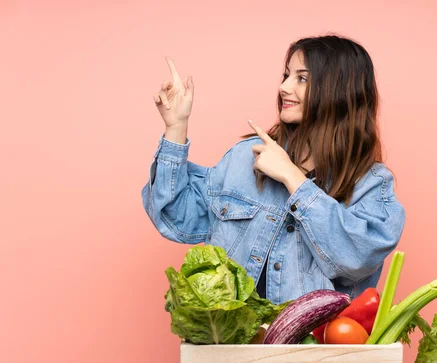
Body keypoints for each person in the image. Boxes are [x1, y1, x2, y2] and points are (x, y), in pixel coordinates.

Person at [142, 34, 406, 304]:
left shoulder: (371, 184)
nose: (284, 87)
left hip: (320, 345)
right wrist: (175, 128)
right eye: (286, 75)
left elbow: (355, 258)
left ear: (339, 91)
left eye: (302, 78)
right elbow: (174, 217)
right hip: (235, 343)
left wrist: (293, 178)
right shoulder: (247, 157)